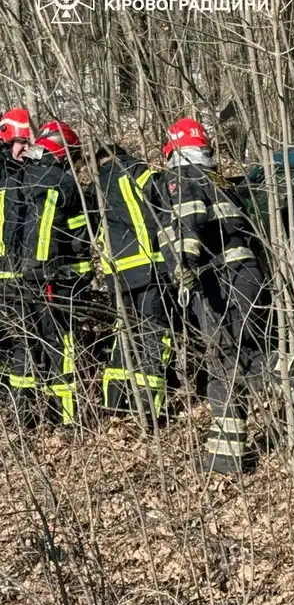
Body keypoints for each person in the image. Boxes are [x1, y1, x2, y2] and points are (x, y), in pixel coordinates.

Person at [152, 117, 270, 473]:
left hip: (221, 283)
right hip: (246, 278)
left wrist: (183, 266)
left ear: (173, 150)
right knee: (234, 360)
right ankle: (224, 457)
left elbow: (189, 221)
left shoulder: (183, 178)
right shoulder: (217, 179)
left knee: (227, 361)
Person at [3, 120, 83, 427]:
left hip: (14, 277)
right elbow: (77, 237)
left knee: (24, 343)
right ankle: (67, 418)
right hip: (48, 277)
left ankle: (22, 419)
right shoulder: (63, 182)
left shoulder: (15, 179)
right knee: (58, 343)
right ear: (63, 153)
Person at [93, 144, 173, 425]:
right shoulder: (137, 170)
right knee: (154, 335)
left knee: (124, 336)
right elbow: (165, 200)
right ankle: (149, 410)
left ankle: (113, 406)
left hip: (118, 275)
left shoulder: (95, 187)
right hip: (149, 269)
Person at [0, 108, 33, 412]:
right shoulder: (5, 173)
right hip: (6, 268)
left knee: (19, 338)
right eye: (21, 143)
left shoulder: (26, 173)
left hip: (16, 269)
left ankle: (18, 408)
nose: (25, 149)